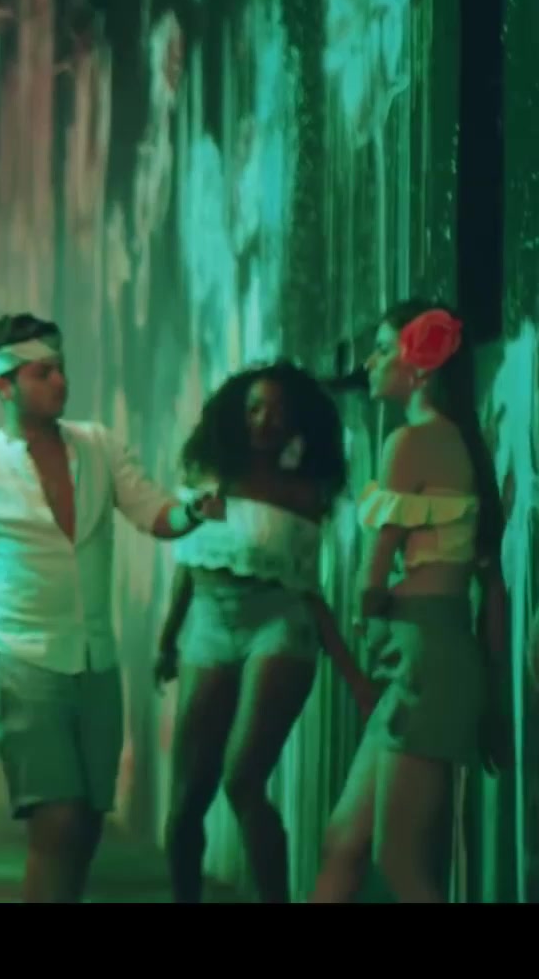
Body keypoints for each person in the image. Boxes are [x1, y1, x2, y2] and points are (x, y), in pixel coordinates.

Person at [0, 312, 221, 903]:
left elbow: (154, 512)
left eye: (61, 369)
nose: (60, 381)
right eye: (43, 373)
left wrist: (193, 510)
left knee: (88, 821)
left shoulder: (98, 447)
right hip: (17, 655)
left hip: (95, 657)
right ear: (5, 385)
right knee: (58, 819)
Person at [312, 302, 511, 903]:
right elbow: (491, 592)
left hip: (419, 662)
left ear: (419, 365)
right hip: (438, 657)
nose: (370, 362)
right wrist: (493, 693)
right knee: (344, 842)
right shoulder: (462, 443)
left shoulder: (409, 443)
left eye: (382, 348)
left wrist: (364, 621)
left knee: (398, 864)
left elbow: (372, 578)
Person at [153, 361, 373, 903]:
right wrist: (167, 639)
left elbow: (309, 592)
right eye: (254, 408)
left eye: (277, 410)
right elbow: (188, 564)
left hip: (278, 623)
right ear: (236, 414)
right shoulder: (207, 475)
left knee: (243, 780)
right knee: (186, 801)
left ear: (295, 422)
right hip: (208, 625)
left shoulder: (303, 493)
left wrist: (354, 676)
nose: (264, 420)